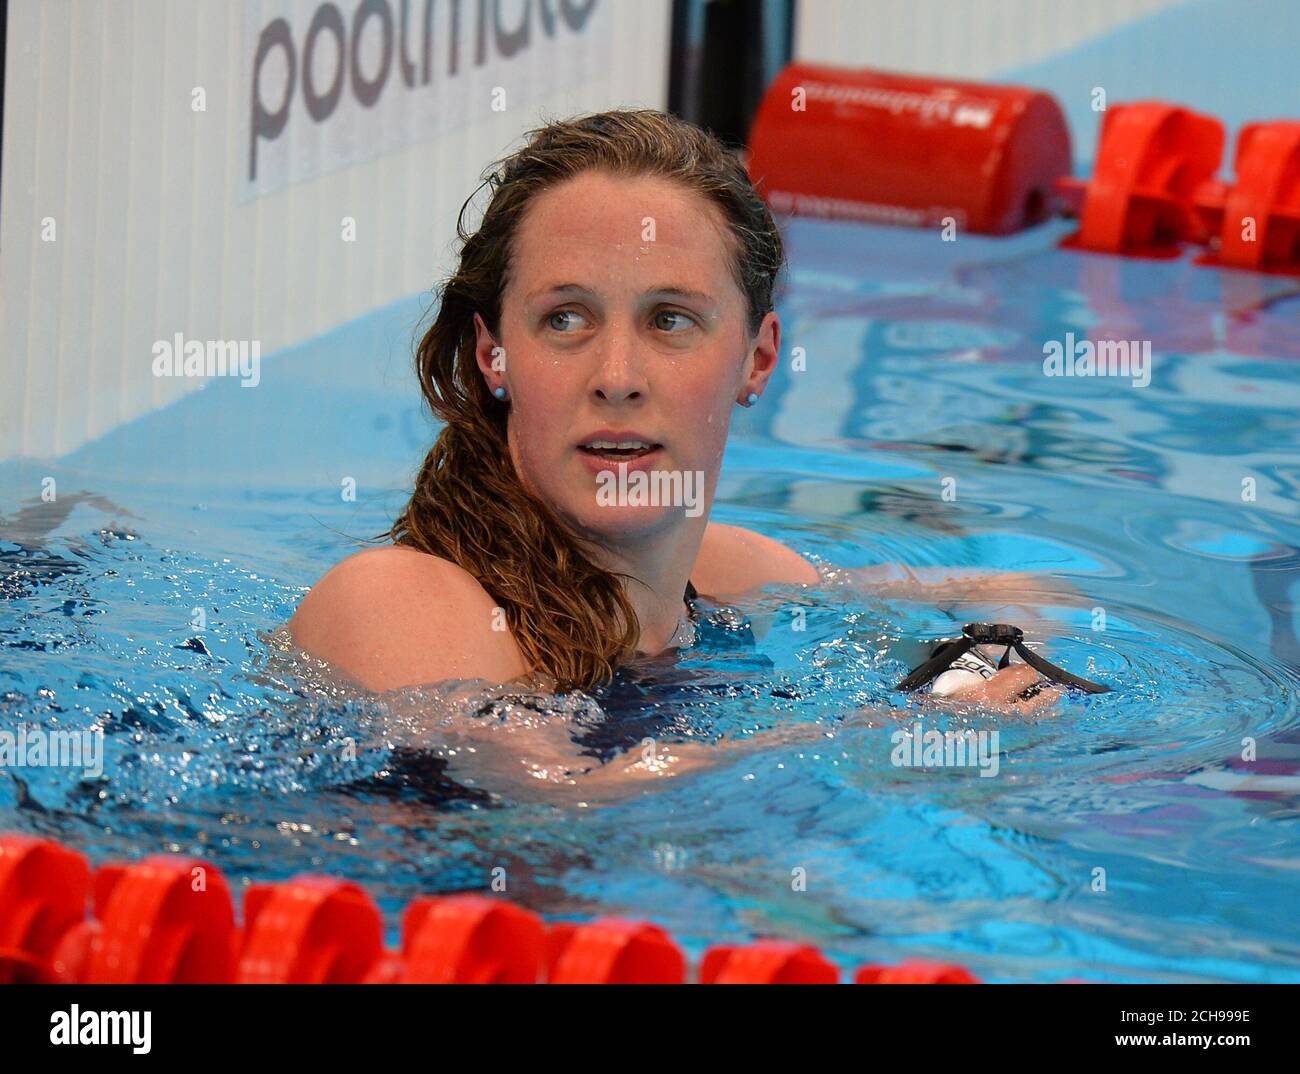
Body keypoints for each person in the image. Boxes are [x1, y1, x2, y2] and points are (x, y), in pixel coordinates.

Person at [288, 109, 1062, 802]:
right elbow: (565, 799)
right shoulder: (398, 597)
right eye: (564, 320)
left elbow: (1013, 587)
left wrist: (981, 665)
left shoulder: (731, 575)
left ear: (757, 361)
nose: (617, 379)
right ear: (495, 355)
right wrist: (895, 734)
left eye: (669, 320)